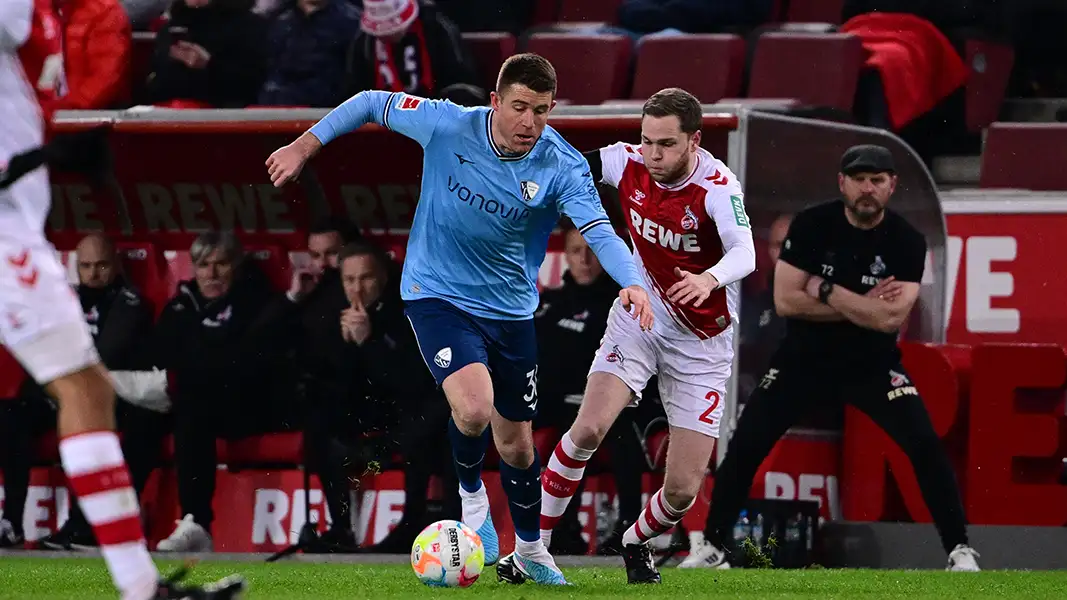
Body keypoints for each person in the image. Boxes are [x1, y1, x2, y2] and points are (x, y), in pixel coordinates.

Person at [266, 52, 654, 585]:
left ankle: (532, 549)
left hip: (512, 312)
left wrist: (630, 279)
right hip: (436, 296)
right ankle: (472, 503)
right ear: (494, 102)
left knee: (516, 442)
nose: (529, 123)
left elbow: (600, 230)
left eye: (541, 111)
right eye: (519, 108)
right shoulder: (448, 123)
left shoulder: (560, 164)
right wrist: (303, 145)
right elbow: (370, 102)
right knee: (474, 409)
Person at [0, 0, 244, 597]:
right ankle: (139, 587)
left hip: (16, 219)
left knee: (85, 390)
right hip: (3, 227)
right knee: (83, 387)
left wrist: (47, 153)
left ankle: (141, 586)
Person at [683, 144, 982, 572]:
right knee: (747, 443)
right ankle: (712, 547)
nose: (867, 188)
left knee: (925, 446)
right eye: (859, 179)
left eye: (877, 180)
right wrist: (862, 303)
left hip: (872, 364)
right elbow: (786, 302)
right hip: (803, 359)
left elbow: (889, 318)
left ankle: (959, 549)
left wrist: (823, 288)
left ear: (892, 186)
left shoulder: (906, 241)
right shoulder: (811, 225)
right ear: (842, 183)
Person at [527, 87, 756, 585]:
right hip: (641, 314)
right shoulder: (624, 161)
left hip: (701, 341)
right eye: (647, 140)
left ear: (695, 140)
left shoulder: (718, 186)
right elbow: (567, 165)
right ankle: (532, 549)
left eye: (667, 144)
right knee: (587, 429)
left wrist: (709, 278)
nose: (653, 154)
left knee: (682, 490)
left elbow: (746, 253)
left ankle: (634, 542)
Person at [152, 231, 298, 553]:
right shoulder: (180, 306)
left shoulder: (257, 302)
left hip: (248, 406)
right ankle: (103, 527)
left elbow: (251, 359)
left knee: (193, 406)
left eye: (221, 264)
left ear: (237, 266)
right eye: (204, 265)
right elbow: (160, 357)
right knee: (142, 419)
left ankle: (196, 521)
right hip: (194, 404)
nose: (212, 273)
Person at [332, 241, 461, 551]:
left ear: (383, 277)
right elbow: (335, 380)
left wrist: (368, 343)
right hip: (369, 412)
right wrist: (347, 346)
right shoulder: (334, 311)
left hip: (412, 409)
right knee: (323, 429)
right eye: (349, 280)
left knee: (434, 417)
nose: (357, 288)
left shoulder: (405, 311)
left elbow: (412, 379)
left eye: (366, 278)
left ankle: (435, 522)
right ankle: (339, 531)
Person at [533, 220, 651, 556]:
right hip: (549, 403)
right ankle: (553, 531)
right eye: (575, 251)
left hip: (606, 406)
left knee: (604, 429)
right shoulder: (547, 303)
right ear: (564, 255)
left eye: (593, 251)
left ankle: (628, 530)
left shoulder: (622, 305)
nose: (584, 259)